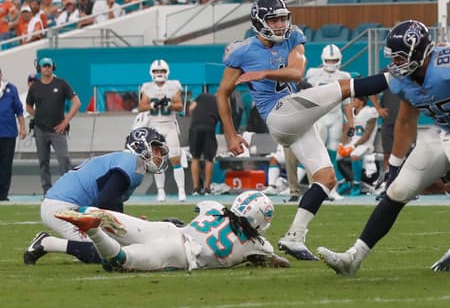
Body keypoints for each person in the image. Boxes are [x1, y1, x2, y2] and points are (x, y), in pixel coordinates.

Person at [318, 20, 450, 276]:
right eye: (393, 57)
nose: (395, 63)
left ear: (419, 52)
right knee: (397, 190)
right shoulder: (402, 80)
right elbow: (407, 122)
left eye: (400, 56)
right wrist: (394, 166)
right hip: (446, 134)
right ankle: (354, 257)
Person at [216, 0, 388, 260]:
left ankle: (295, 236)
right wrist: (230, 134)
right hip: (279, 114)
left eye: (283, 18)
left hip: (295, 116)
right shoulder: (241, 51)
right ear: (259, 22)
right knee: (346, 87)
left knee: (327, 179)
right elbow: (222, 93)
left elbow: (296, 72)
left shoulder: (293, 36)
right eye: (273, 19)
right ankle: (397, 75)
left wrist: (263, 73)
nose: (280, 24)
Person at [24, 128, 168, 266]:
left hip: (70, 205)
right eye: (156, 150)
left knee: (115, 245)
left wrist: (128, 224)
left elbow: (112, 201)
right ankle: (46, 243)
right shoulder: (134, 163)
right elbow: (106, 201)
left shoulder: (130, 162)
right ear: (139, 145)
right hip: (62, 207)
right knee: (107, 251)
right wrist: (125, 227)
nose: (159, 156)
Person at [55, 190, 289, 271]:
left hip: (169, 230)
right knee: (118, 261)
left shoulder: (214, 207)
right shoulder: (256, 245)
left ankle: (91, 212)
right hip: (181, 253)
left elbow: (201, 207)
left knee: (130, 226)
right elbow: (277, 261)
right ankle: (94, 231)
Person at [26, 56, 80, 195]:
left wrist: (66, 121)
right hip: (40, 129)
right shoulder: (35, 87)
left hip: (57, 129)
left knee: (64, 160)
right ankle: (47, 192)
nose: (47, 68)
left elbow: (76, 102)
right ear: (40, 68)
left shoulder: (61, 84)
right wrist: (38, 116)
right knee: (43, 162)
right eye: (44, 66)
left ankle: (68, 191)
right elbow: (28, 106)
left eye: (49, 66)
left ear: (53, 67)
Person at [138, 59, 186, 201]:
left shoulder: (174, 85)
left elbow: (179, 106)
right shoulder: (147, 87)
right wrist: (153, 104)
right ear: (152, 73)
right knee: (157, 160)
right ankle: (161, 191)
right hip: (155, 127)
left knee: (175, 158)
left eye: (162, 71)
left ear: (167, 72)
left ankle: (181, 191)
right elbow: (141, 107)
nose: (159, 73)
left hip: (169, 125)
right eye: (157, 71)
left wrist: (168, 104)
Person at [302, 44, 354, 172]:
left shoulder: (344, 76)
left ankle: (331, 187)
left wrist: (351, 124)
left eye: (334, 60)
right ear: (323, 59)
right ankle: (300, 182)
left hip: (336, 117)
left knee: (332, 152)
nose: (331, 63)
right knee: (314, 153)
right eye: (329, 60)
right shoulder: (313, 74)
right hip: (319, 117)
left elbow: (347, 103)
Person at [186, 89, 221, 196]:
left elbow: (191, 108)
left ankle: (196, 189)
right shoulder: (221, 102)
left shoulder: (202, 96)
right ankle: (207, 188)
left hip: (195, 127)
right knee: (209, 159)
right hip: (209, 128)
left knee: (195, 158)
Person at [0, 68, 24, 201]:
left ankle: (3, 194)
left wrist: (23, 127)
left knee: (6, 165)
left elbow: (18, 110)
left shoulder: (10, 89)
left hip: (8, 133)